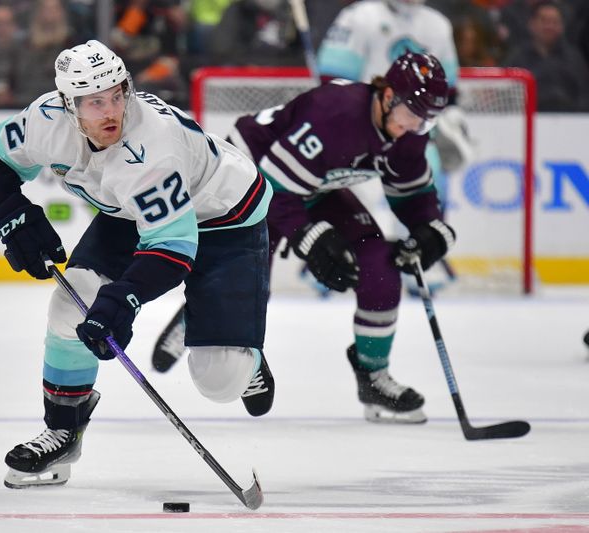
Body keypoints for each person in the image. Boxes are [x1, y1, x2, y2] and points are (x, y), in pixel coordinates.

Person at [0, 40, 275, 488]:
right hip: (132, 215)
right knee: (70, 309)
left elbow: (173, 247)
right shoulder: (44, 120)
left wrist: (124, 299)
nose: (111, 111)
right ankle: (63, 431)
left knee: (219, 381)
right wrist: (13, 218)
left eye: (117, 94)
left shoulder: (151, 149)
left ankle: (244, 350)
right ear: (68, 105)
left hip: (227, 217)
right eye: (95, 102)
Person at [153, 52, 456, 425]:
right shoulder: (336, 114)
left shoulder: (410, 133)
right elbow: (275, 190)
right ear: (389, 95)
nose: (419, 125)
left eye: (429, 118)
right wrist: (310, 237)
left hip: (308, 184)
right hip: (246, 176)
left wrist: (432, 229)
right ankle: (204, 311)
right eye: (415, 112)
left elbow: (412, 196)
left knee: (379, 264)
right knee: (247, 284)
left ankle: (373, 378)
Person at [315, 0, 471, 295]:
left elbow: (447, 91)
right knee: (348, 192)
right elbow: (331, 78)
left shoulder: (437, 24)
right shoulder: (360, 16)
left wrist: (451, 119)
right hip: (361, 127)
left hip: (412, 130)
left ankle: (417, 263)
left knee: (426, 183)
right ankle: (331, 260)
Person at [503, 0, 589, 111]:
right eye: (544, 20)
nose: (549, 26)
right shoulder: (517, 59)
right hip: (527, 120)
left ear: (562, 26)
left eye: (554, 22)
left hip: (569, 120)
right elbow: (506, 95)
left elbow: (584, 96)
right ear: (531, 24)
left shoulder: (575, 60)